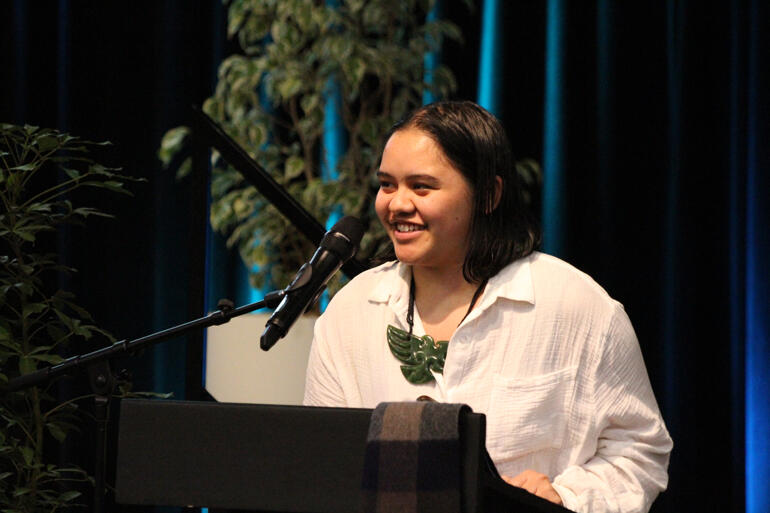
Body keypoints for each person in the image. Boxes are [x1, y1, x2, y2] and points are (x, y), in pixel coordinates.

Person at [303, 101, 672, 513]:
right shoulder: (350, 312)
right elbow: (324, 462)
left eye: (422, 186)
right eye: (388, 184)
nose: (397, 204)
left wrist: (567, 496)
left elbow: (640, 450)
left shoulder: (576, 307)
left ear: (489, 195)